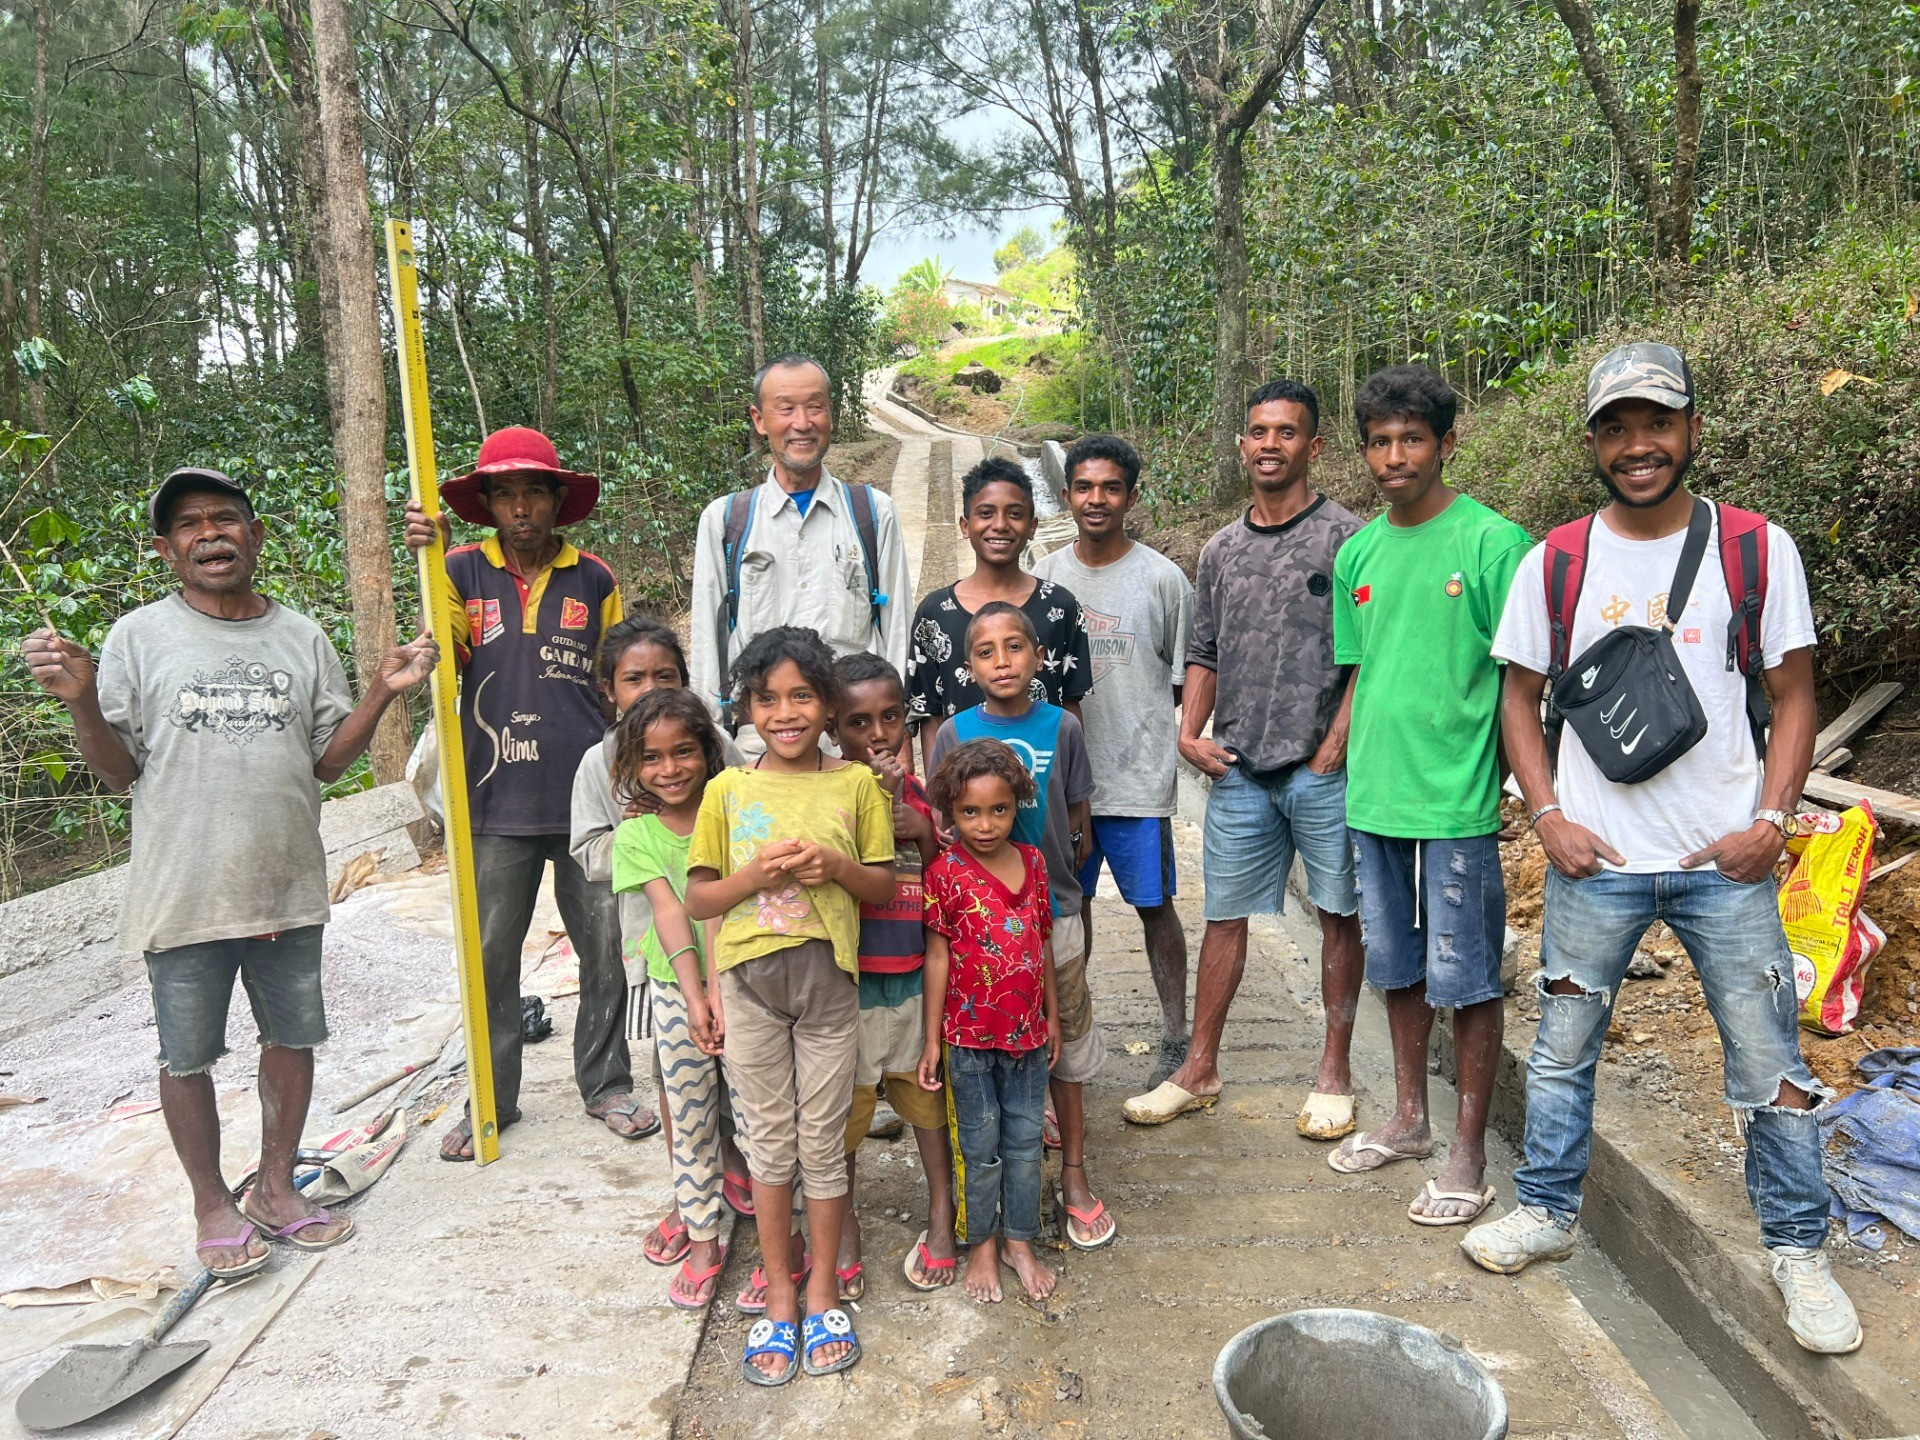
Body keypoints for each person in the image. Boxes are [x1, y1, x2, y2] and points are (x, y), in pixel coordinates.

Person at [1463, 343, 1863, 1354]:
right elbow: (1518, 697)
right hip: (1594, 863)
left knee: (1770, 1061)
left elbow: (1795, 692)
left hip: (1719, 864)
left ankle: (1798, 1248)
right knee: (1559, 1055)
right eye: (1616, 428)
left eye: (1657, 423)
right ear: (1593, 442)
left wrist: (1770, 823)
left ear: (1691, 430)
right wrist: (1545, 814)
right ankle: (1549, 1213)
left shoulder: (1756, 550)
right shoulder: (1557, 560)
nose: (1638, 446)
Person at [23, 467, 435, 1276]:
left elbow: (326, 762)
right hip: (184, 891)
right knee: (187, 1055)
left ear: (255, 535)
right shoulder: (137, 638)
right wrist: (77, 702)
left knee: (292, 1038)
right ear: (166, 550)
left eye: (224, 519)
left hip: (286, 881)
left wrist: (382, 694)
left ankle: (276, 1189)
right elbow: (116, 772)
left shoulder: (301, 637)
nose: (208, 533)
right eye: (188, 525)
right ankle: (213, 1202)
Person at [1124, 381, 1364, 1138]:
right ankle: (1197, 1068)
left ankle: (1334, 1072)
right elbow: (1204, 651)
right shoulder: (1221, 550)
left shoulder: (1348, 540)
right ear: (1241, 445)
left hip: (1321, 771)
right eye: (1258, 431)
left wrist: (1335, 745)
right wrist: (1187, 734)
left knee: (1337, 915)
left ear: (1313, 447)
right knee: (1225, 915)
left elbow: (1371, 655)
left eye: (1286, 433)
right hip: (1238, 770)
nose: (1270, 445)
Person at [404, 426, 651, 1160]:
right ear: (486, 504)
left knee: (605, 945)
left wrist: (635, 775)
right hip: (491, 796)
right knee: (490, 955)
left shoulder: (594, 579)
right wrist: (424, 559)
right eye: (505, 494)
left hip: (586, 795)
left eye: (532, 493)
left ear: (555, 502)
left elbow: (621, 687)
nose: (520, 509)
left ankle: (606, 1084)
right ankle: (492, 1096)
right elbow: (439, 655)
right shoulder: (457, 571)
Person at [1325, 365, 1532, 1227]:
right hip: (1374, 796)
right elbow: (1361, 669)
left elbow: (1523, 680)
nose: (1395, 456)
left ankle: (1467, 1151)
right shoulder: (1357, 553)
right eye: (1380, 441)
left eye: (1413, 439)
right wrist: (1333, 755)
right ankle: (1408, 1119)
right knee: (1398, 967)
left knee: (1469, 979)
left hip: (1457, 801)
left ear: (1448, 444)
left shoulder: (1494, 544)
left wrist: (1527, 788)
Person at [685, 626, 895, 1385]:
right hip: (748, 990)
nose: (785, 712)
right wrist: (755, 879)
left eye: (802, 695)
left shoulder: (855, 786)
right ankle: (779, 1297)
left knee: (823, 1141)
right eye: (767, 698)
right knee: (770, 1145)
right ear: (745, 708)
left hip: (829, 988)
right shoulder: (726, 791)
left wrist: (833, 865)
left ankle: (824, 1287)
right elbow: (701, 893)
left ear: (828, 704)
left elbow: (882, 884)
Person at [569, 620, 749, 1310]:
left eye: (664, 676)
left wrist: (686, 823)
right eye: (634, 679)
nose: (650, 688)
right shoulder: (599, 765)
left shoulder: (713, 748)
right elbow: (587, 849)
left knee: (741, 1087)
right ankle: (692, 1201)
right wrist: (640, 837)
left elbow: (748, 798)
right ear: (608, 689)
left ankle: (733, 1182)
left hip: (733, 956)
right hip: (657, 956)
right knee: (680, 1094)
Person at [927, 604, 1112, 1250]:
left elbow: (1078, 813)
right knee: (991, 1043)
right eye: (986, 651)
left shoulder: (1062, 727)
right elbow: (940, 825)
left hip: (1053, 910)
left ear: (1039, 657)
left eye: (1015, 648)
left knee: (1067, 1045)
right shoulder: (952, 732)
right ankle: (997, 1188)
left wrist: (1067, 881)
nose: (1001, 661)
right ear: (968, 663)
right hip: (979, 926)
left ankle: (1076, 1175)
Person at [1032, 435, 1194, 1087]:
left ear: (1131, 495)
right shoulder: (1045, 577)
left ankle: (1178, 1034)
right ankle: (1074, 1029)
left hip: (1134, 782)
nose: (1096, 500)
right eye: (1084, 487)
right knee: (1068, 913)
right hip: (1060, 786)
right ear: (1067, 494)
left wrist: (1180, 745)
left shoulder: (1161, 579)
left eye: (1111, 487)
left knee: (1154, 906)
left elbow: (1188, 678)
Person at [688, 354, 913, 742]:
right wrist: (712, 737)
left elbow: (897, 629)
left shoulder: (873, 514)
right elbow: (708, 637)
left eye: (815, 407)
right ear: (759, 420)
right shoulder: (726, 521)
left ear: (831, 414)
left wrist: (895, 732)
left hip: (852, 742)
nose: (802, 423)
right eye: (786, 409)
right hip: (761, 743)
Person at [829, 652, 957, 1296]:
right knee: (844, 1115)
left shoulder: (923, 798)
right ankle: (844, 1226)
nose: (877, 734)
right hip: (843, 984)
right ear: (832, 729)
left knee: (925, 1103)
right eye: (857, 722)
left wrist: (925, 834)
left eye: (889, 718)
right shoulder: (826, 798)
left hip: (911, 976)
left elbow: (946, 884)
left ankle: (942, 1216)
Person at [918, 738, 1060, 1304]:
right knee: (979, 1147)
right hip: (967, 1040)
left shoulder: (1034, 864)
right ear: (951, 812)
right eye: (969, 812)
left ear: (1017, 805)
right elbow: (937, 956)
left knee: (1026, 1142)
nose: (984, 824)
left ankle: (1019, 1241)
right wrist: (932, 1040)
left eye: (998, 810)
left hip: (1026, 1037)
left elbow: (1042, 942)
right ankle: (981, 1242)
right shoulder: (945, 872)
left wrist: (1052, 1015)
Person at [606, 687, 734, 1310]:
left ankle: (778, 1235)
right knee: (688, 1117)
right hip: (673, 988)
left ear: (708, 751)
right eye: (652, 758)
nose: (670, 769)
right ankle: (704, 1238)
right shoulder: (637, 838)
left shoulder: (734, 809)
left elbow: (719, 904)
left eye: (683, 752)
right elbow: (670, 912)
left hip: (744, 983)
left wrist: (718, 989)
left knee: (760, 1120)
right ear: (633, 766)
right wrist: (694, 996)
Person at [907, 455, 1093, 772]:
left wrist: (1071, 793)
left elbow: (1071, 704)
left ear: (1033, 527)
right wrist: (939, 804)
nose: (1000, 524)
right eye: (986, 513)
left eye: (1015, 514)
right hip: (964, 797)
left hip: (1043, 790)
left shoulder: (1060, 607)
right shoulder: (935, 612)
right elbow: (931, 715)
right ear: (965, 525)